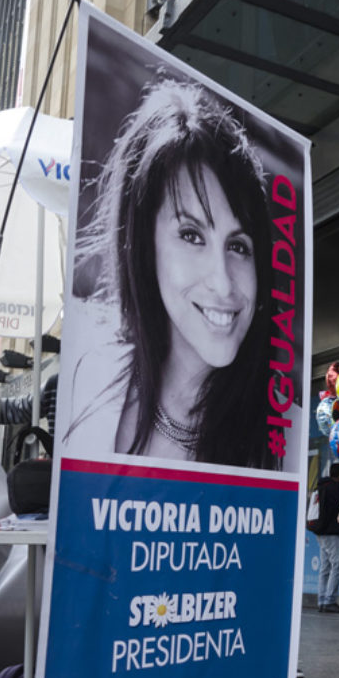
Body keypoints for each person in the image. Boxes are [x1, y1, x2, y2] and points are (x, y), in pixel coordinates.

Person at [66, 78, 284, 469]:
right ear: (144, 243)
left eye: (238, 246)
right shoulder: (88, 383)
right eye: (191, 235)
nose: (222, 281)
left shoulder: (284, 432)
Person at [314, 464, 339, 613]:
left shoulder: (321, 486)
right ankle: (330, 600)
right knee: (337, 565)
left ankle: (322, 600)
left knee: (325, 568)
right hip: (331, 533)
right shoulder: (334, 488)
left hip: (320, 532)